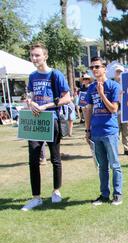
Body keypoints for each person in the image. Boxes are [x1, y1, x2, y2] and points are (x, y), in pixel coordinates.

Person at [21, 42, 71, 211]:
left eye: (37, 55)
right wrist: (30, 101)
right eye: (32, 55)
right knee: (33, 160)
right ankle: (36, 197)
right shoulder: (32, 76)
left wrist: (45, 106)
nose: (34, 58)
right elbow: (29, 94)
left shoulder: (55, 74)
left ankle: (56, 191)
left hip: (52, 120)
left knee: (55, 159)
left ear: (45, 56)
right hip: (35, 123)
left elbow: (67, 98)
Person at [84, 56, 123, 206]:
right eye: (92, 67)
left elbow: (114, 109)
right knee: (102, 166)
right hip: (96, 132)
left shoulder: (114, 86)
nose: (94, 70)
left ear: (104, 68)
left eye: (97, 67)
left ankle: (118, 194)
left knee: (115, 164)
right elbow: (88, 109)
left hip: (110, 131)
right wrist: (87, 130)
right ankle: (104, 195)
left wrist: (101, 94)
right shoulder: (91, 88)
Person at [114, 65, 128, 156]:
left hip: (126, 109)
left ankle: (127, 148)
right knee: (116, 130)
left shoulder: (127, 83)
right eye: (117, 72)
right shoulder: (112, 84)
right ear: (115, 74)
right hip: (116, 109)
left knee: (127, 129)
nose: (119, 74)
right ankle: (114, 149)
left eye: (120, 72)